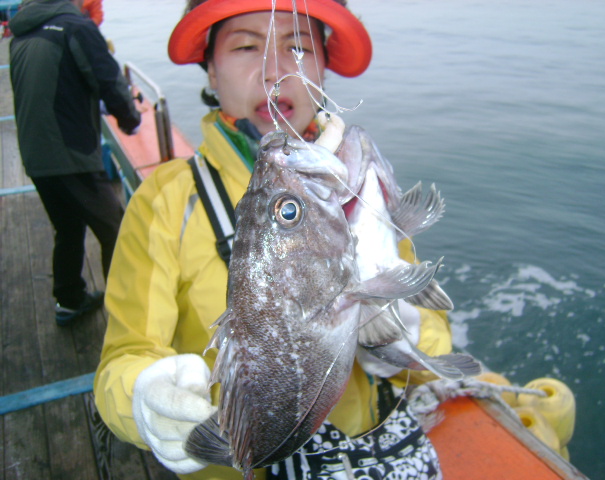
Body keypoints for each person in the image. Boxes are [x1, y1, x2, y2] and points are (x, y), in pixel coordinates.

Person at [94, 1, 453, 479]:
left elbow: (437, 349)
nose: (277, 72)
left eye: (299, 47)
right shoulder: (165, 201)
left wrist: (407, 331)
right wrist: (142, 393)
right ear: (211, 70)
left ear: (323, 68)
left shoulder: (361, 189)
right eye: (246, 47)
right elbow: (125, 355)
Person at [9, 0, 141, 326]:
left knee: (68, 228)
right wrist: (130, 119)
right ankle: (127, 319)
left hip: (35, 154)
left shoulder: (21, 34)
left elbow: (56, 84)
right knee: (117, 230)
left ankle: (69, 300)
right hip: (70, 155)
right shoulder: (77, 27)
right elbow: (109, 79)